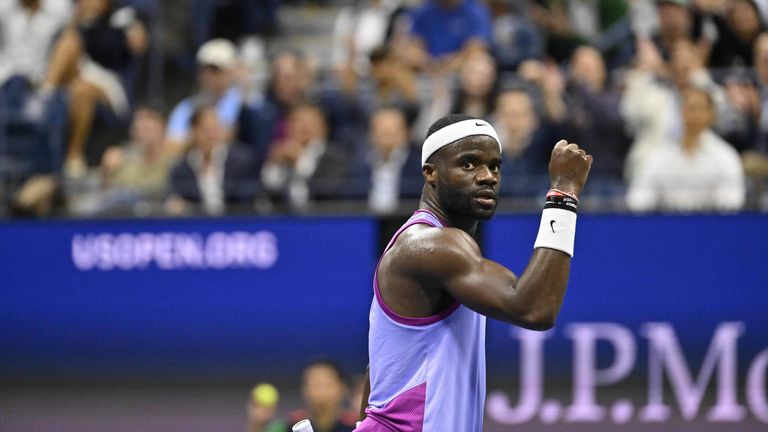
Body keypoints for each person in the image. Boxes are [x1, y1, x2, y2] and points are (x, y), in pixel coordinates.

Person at [356, 114, 592, 431]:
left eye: (494, 166)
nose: (488, 176)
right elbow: (535, 309)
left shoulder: (442, 247)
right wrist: (564, 193)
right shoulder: (432, 245)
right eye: (469, 164)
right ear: (431, 173)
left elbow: (379, 368)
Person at [627, 86, 745, 212]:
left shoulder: (725, 156)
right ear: (681, 112)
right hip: (668, 226)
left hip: (710, 227)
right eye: (690, 108)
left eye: (700, 109)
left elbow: (731, 202)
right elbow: (638, 197)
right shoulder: (660, 155)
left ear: (712, 114)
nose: (694, 114)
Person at [167, 105, 258, 215]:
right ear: (194, 131)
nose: (211, 135)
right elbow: (176, 197)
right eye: (206, 129)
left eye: (215, 129)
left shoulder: (243, 160)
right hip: (197, 225)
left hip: (235, 224)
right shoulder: (181, 167)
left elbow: (250, 197)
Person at [285, 360, 357, 432]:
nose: (321, 391)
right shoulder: (291, 425)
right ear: (304, 390)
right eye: (316, 385)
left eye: (328, 385)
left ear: (342, 388)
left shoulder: (355, 425)